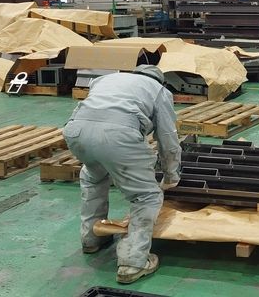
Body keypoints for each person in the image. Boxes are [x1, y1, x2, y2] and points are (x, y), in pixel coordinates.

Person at [62, 65, 181, 284]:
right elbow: (167, 137)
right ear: (160, 81)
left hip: (76, 131)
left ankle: (92, 239)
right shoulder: (159, 91)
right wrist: (171, 175)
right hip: (117, 135)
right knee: (146, 196)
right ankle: (133, 262)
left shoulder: (106, 79)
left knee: (93, 177)